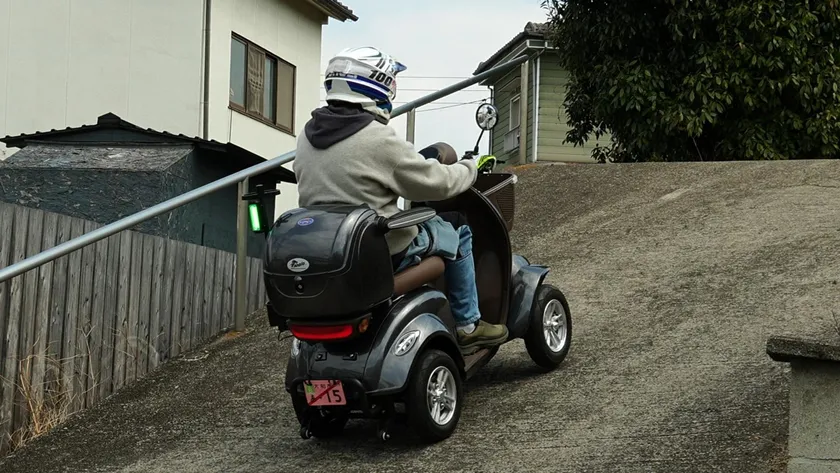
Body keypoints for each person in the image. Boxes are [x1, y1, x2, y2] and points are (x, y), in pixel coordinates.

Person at [293, 46, 508, 353]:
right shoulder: (376, 138)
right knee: (457, 228)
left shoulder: (306, 137)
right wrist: (470, 168)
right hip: (382, 249)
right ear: (377, 84)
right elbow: (436, 184)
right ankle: (468, 325)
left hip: (332, 252)